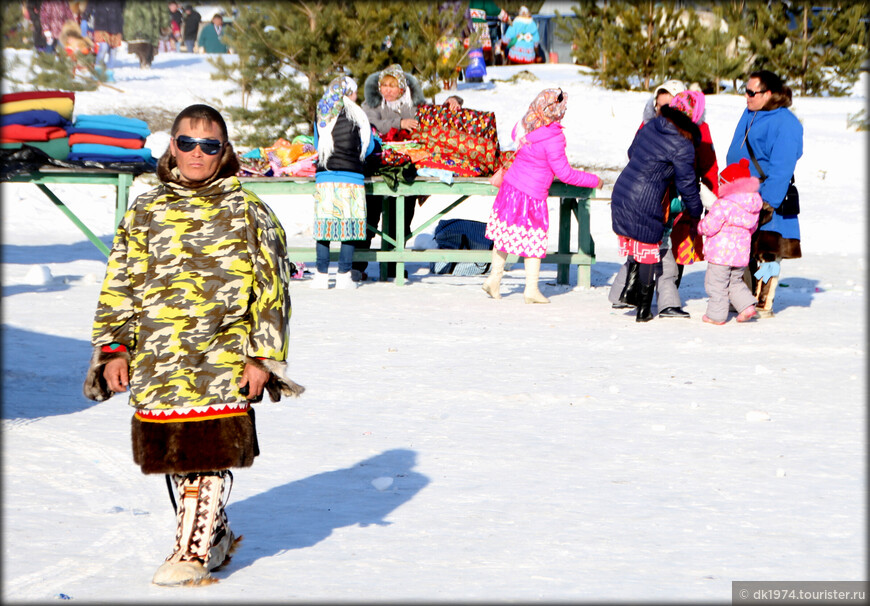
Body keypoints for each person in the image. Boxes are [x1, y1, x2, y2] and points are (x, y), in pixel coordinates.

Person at [82, 104, 304, 586]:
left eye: (209, 145)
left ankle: (191, 551)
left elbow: (272, 291)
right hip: (157, 359)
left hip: (223, 356)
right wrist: (114, 348)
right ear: (172, 147)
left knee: (208, 452)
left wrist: (262, 357)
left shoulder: (249, 212)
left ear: (224, 152)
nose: (197, 153)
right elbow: (120, 281)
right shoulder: (146, 208)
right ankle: (217, 533)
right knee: (175, 456)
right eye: (187, 143)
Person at [482, 88, 603, 303]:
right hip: (531, 196)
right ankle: (531, 289)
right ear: (557, 112)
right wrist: (594, 180)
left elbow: (514, 139)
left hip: (510, 189)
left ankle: (494, 278)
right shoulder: (553, 137)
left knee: (504, 235)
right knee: (534, 239)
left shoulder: (526, 123)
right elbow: (565, 173)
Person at [609, 83, 719, 319]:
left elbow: (632, 152)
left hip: (623, 190)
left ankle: (628, 298)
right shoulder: (684, 143)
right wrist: (696, 212)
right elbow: (688, 184)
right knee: (650, 251)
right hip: (646, 198)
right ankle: (644, 310)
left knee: (642, 250)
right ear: (695, 116)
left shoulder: (652, 125)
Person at [726, 69, 803, 318]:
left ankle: (762, 302)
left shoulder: (786, 123)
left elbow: (782, 167)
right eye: (745, 91)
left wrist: (768, 201)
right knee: (742, 252)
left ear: (768, 93)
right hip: (740, 195)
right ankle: (742, 298)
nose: (746, 96)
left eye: (751, 92)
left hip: (768, 198)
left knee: (768, 254)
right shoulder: (750, 112)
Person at [356, 64, 427, 281]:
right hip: (376, 167)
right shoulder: (370, 104)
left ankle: (394, 264)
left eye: (392, 85)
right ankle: (358, 264)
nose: (387, 90)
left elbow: (427, 123)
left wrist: (454, 100)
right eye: (384, 85)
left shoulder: (413, 106)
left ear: (402, 87)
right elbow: (370, 123)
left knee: (402, 218)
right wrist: (399, 123)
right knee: (370, 216)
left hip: (405, 169)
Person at [310, 76, 378, 290]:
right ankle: (344, 275)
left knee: (324, 228)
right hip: (351, 179)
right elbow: (367, 148)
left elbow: (316, 144)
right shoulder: (357, 114)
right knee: (349, 227)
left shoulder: (322, 112)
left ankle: (321, 275)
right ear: (350, 93)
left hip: (325, 178)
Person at [697, 158, 762, 324]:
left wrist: (701, 227)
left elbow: (710, 226)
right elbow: (752, 228)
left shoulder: (723, 205)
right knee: (735, 282)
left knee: (716, 284)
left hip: (720, 255)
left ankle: (716, 315)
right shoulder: (752, 206)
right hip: (740, 255)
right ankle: (747, 307)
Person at [84, 0, 125, 78]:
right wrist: (84, 19)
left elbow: (122, 7)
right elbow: (90, 5)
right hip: (101, 24)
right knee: (103, 48)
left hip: (116, 25)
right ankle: (97, 72)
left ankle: (109, 74)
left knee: (113, 51)